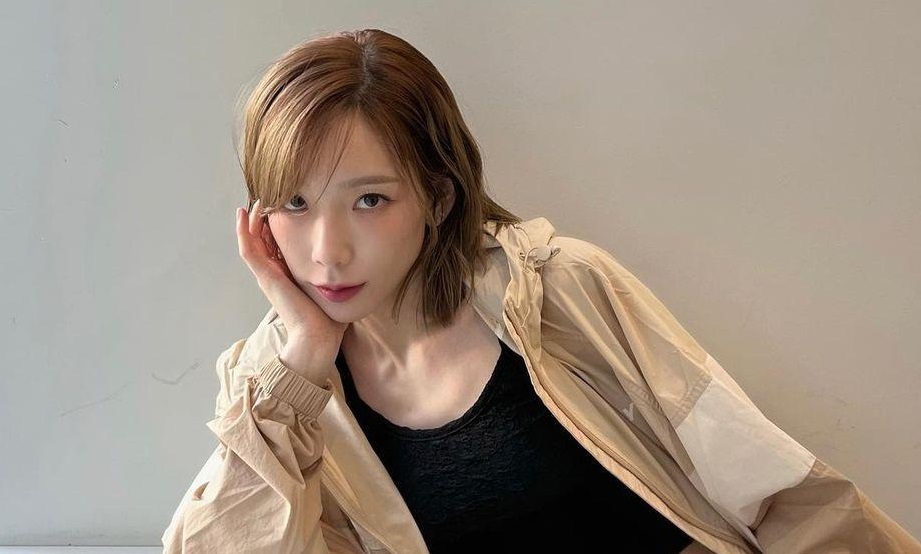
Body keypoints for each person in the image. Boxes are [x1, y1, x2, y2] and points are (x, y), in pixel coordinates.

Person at [162, 29, 921, 553]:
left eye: (370, 200)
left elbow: (764, 480)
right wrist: (300, 363)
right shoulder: (276, 390)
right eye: (294, 204)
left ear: (438, 197)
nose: (326, 252)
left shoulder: (562, 292)